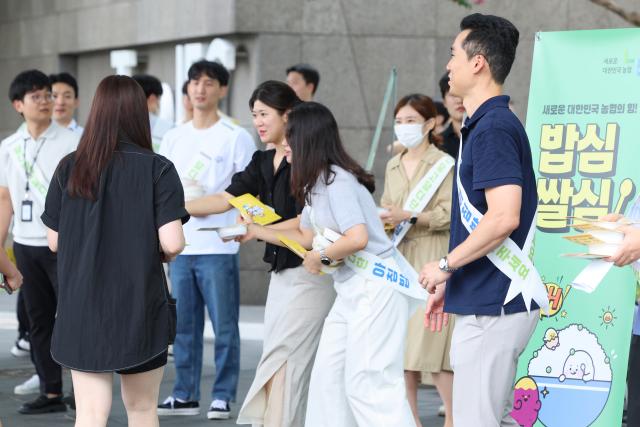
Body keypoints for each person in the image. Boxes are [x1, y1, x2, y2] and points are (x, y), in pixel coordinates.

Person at [240, 101, 415, 426]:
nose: (284, 144)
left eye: (290, 137)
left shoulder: (338, 181)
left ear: (307, 139)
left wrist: (320, 256)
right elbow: (305, 233)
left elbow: (357, 237)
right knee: (328, 379)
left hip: (375, 289)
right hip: (350, 290)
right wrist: (256, 232)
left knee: (368, 384)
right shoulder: (316, 182)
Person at [41, 74, 188, 427]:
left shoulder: (69, 166)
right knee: (141, 409)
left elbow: (54, 241)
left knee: (90, 413)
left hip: (82, 306)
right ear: (140, 112)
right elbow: (173, 242)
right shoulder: (158, 168)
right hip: (138, 305)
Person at [187, 80, 335, 426]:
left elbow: (308, 225)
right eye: (254, 115)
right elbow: (227, 198)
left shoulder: (312, 161)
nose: (258, 122)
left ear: (289, 115)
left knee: (288, 360)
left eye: (265, 114)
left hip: (313, 273)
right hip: (282, 273)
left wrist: (259, 231)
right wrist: (174, 208)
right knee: (277, 358)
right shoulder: (262, 160)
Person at [418, 14, 542, 426]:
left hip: (495, 304)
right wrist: (453, 277)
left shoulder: (492, 129)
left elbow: (503, 217)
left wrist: (444, 264)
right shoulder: (486, 126)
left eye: (454, 54)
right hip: (487, 297)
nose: (448, 64)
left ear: (478, 63)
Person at [157, 60, 255, 420]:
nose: (200, 89)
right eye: (195, 82)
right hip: (180, 246)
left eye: (209, 83)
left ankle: (223, 395)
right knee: (183, 326)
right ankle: (184, 394)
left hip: (218, 245)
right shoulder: (173, 136)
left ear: (223, 90)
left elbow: (246, 191)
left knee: (224, 325)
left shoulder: (235, 136)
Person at [0, 70, 79, 413]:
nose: (47, 101)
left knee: (75, 317)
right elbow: (5, 200)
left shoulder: (73, 142)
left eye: (48, 95)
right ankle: (50, 392)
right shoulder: (9, 147)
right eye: (37, 96)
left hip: (64, 244)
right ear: (18, 105)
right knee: (38, 321)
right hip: (25, 245)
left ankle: (82, 389)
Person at [380, 94, 454, 427]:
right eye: (399, 120)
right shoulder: (393, 164)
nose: (403, 127)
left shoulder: (443, 163)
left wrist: (410, 215)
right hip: (399, 258)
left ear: (429, 123)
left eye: (410, 120)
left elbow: (449, 214)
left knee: (434, 351)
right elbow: (385, 206)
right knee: (403, 355)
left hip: (431, 256)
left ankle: (455, 418)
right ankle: (410, 421)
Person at [132, 74, 174, 152]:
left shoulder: (117, 125)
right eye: (159, 99)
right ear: (152, 98)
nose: (158, 104)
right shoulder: (167, 128)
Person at [437, 73, 465, 159]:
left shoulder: (487, 136)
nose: (459, 100)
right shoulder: (438, 143)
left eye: (463, 93)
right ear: (444, 102)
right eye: (453, 95)